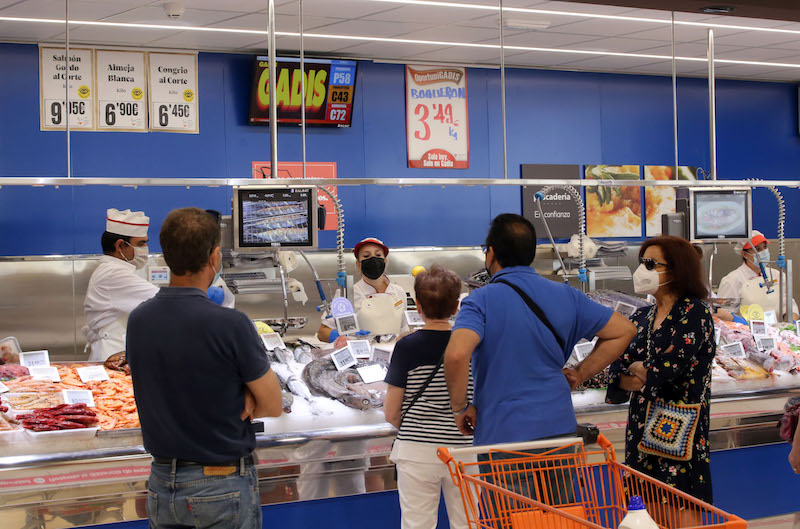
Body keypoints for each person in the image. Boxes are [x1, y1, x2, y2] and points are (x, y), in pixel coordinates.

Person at [445, 214, 636, 486]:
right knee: (560, 517)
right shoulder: (567, 295)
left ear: (491, 254)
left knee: (511, 518)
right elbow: (624, 330)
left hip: (504, 436)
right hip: (559, 431)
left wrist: (460, 407)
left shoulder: (480, 300)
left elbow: (456, 354)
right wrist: (580, 373)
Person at [127, 207, 282, 529]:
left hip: (160, 484)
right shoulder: (230, 323)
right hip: (220, 485)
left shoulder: (139, 319)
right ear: (214, 256)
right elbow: (273, 404)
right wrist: (248, 394)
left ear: (165, 255)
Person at [606, 235, 715, 504]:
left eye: (652, 264)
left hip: (680, 431)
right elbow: (616, 364)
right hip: (640, 430)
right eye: (642, 262)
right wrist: (633, 373)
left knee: (678, 507)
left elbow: (668, 369)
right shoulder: (642, 316)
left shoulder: (695, 313)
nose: (643, 270)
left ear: (677, 269)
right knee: (642, 509)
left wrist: (643, 372)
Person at [384, 265, 473, 529]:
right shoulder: (470, 344)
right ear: (457, 307)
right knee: (468, 522)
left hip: (416, 452)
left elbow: (391, 412)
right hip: (465, 451)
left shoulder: (406, 347)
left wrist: (417, 427)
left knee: (417, 525)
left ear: (418, 307)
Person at [83, 208, 160, 362]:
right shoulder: (114, 274)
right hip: (111, 355)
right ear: (120, 246)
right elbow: (163, 301)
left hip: (117, 352)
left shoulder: (115, 270)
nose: (145, 250)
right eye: (141, 244)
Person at [317, 237, 409, 343]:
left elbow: (404, 329)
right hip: (362, 356)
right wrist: (345, 337)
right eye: (366, 256)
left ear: (385, 261)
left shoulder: (399, 292)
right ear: (358, 264)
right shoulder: (347, 295)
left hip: (395, 354)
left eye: (378, 255)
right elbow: (322, 333)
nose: (373, 259)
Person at [717, 230, 798, 320]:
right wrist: (740, 322)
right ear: (744, 254)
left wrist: (791, 323)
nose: (763, 252)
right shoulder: (732, 280)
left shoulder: (777, 275)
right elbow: (722, 314)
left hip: (775, 331)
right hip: (745, 332)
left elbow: (788, 306)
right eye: (757, 249)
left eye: (765, 247)